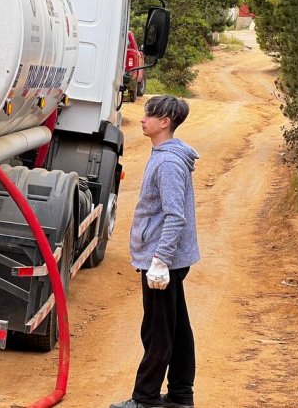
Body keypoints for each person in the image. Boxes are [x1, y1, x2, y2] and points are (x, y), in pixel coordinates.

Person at [111, 95, 200, 408]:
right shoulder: (165, 154)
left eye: (149, 115)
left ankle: (146, 399)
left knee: (157, 331)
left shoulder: (168, 163)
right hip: (170, 260)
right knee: (177, 328)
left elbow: (175, 216)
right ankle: (180, 395)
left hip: (164, 262)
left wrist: (160, 260)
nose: (142, 119)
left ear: (165, 122)